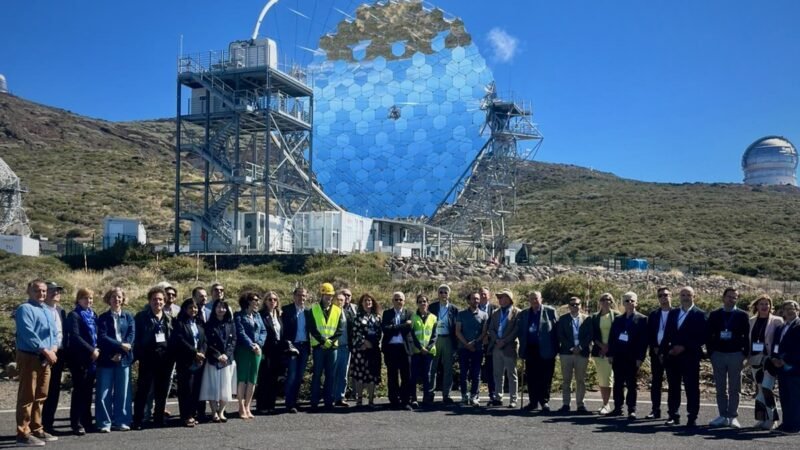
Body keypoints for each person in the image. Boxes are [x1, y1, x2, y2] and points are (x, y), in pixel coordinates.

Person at [15, 279, 59, 446]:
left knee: (41, 395)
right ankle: (23, 433)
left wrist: (53, 348)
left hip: (45, 358)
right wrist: (45, 350)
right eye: (37, 291)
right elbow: (28, 333)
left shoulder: (47, 310)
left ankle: (37, 428)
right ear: (29, 291)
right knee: (27, 396)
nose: (41, 294)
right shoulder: (24, 309)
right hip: (30, 356)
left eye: (43, 291)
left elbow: (54, 332)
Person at [662, 286, 707, 428]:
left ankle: (692, 416)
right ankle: (673, 415)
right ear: (679, 297)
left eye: (688, 295)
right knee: (673, 387)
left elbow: (702, 337)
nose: (685, 297)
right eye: (683, 295)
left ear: (694, 296)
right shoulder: (673, 313)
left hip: (690, 356)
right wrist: (667, 350)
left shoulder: (700, 314)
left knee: (691, 388)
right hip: (673, 356)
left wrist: (684, 346)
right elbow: (667, 333)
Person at [706, 287, 749, 428]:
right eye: (729, 296)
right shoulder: (715, 314)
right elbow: (709, 335)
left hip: (736, 355)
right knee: (720, 387)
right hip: (718, 354)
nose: (731, 299)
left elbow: (746, 336)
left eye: (734, 297)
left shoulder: (742, 315)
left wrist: (744, 354)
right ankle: (722, 415)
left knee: (735, 387)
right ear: (723, 298)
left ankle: (733, 416)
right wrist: (711, 352)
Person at [95, 287, 135, 433]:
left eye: (119, 297)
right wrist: (118, 347)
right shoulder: (103, 318)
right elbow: (102, 337)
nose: (116, 299)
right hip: (107, 358)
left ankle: (121, 421)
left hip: (124, 359)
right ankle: (104, 422)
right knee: (104, 392)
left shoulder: (128, 317)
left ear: (123, 299)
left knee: (123, 392)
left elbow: (131, 335)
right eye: (113, 297)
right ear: (108, 299)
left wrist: (121, 352)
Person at [133, 286, 173, 430]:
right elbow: (136, 338)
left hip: (164, 359)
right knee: (143, 391)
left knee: (161, 392)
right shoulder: (141, 317)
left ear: (164, 301)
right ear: (149, 301)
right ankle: (138, 420)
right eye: (155, 299)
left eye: (161, 299)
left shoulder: (168, 318)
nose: (158, 302)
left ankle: (158, 418)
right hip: (147, 358)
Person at [607, 292, 648, 419]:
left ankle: (632, 409)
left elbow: (643, 341)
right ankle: (617, 408)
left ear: (636, 303)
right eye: (626, 301)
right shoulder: (618, 319)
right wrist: (610, 354)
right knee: (618, 383)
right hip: (618, 356)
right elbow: (612, 338)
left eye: (632, 301)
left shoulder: (642, 319)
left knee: (631, 384)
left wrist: (640, 358)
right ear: (623, 303)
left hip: (633, 357)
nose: (629, 303)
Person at [64, 288, 99, 435]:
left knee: (88, 391)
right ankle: (76, 423)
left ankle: (87, 421)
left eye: (90, 298)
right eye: (85, 298)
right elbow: (75, 337)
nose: (88, 301)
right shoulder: (74, 315)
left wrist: (96, 350)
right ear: (78, 299)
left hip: (92, 359)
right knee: (79, 391)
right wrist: (91, 350)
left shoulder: (93, 315)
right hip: (79, 358)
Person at [518, 291, 558, 412]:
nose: (534, 301)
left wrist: (556, 348)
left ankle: (544, 401)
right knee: (531, 377)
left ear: (541, 299)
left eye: (536, 298)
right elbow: (520, 331)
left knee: (545, 377)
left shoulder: (550, 311)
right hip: (530, 348)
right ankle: (533, 402)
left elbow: (556, 331)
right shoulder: (524, 313)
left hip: (546, 349)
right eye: (531, 299)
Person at [170, 299, 207, 427]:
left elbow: (204, 341)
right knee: (186, 390)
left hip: (199, 361)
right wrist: (194, 353)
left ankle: (193, 413)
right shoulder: (179, 323)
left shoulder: (199, 323)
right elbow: (180, 340)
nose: (193, 310)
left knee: (196, 389)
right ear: (185, 309)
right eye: (190, 308)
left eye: (195, 308)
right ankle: (186, 416)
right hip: (186, 361)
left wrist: (202, 352)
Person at [748, 295, 783, 430]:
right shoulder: (751, 321)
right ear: (756, 306)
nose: (764, 307)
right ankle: (761, 418)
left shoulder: (777, 321)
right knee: (759, 390)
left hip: (769, 359)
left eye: (767, 304)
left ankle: (772, 419)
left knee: (767, 388)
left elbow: (779, 340)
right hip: (755, 358)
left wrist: (776, 356)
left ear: (770, 306)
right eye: (761, 304)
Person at [199, 299, 237, 423]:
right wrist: (218, 355)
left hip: (227, 360)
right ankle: (214, 412)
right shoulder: (209, 324)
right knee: (212, 387)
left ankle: (221, 412)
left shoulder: (230, 323)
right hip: (213, 360)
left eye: (224, 307)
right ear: (214, 308)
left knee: (225, 387)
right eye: (219, 307)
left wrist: (226, 355)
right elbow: (207, 342)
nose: (221, 309)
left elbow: (233, 341)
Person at [308, 283, 344, 410]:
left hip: (332, 348)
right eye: (326, 295)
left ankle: (329, 401)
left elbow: (340, 329)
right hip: (319, 347)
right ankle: (314, 401)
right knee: (317, 374)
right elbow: (312, 328)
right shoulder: (313, 309)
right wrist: (323, 341)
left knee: (331, 375)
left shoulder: (338, 310)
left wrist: (331, 341)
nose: (328, 297)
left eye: (330, 295)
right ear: (322, 295)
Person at [556, 296, 591, 414]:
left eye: (577, 304)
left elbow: (589, 336)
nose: (575, 306)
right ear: (569, 306)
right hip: (566, 353)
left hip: (582, 353)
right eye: (572, 304)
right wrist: (571, 347)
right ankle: (566, 404)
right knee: (566, 380)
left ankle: (580, 404)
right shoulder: (563, 319)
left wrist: (580, 347)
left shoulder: (587, 319)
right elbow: (560, 335)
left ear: (580, 305)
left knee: (580, 380)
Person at [234, 291, 266, 419]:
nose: (257, 302)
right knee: (242, 379)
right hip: (244, 350)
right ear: (247, 301)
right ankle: (241, 407)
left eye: (258, 299)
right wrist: (251, 345)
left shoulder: (257, 315)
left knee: (253, 379)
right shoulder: (239, 315)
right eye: (254, 299)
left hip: (257, 350)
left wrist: (258, 344)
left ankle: (247, 406)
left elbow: (263, 331)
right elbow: (240, 332)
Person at [488, 289, 521, 408]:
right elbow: (491, 329)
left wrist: (505, 341)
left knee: (512, 374)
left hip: (510, 347)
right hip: (497, 346)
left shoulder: (517, 312)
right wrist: (496, 340)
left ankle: (513, 399)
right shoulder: (495, 313)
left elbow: (516, 330)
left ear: (509, 299)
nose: (500, 299)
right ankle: (498, 397)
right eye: (499, 297)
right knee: (497, 373)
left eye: (502, 297)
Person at [456, 291, 489, 406]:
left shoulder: (484, 315)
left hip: (477, 349)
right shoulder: (461, 314)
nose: (476, 301)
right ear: (468, 300)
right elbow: (458, 331)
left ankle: (474, 396)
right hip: (463, 348)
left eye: (477, 299)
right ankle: (464, 396)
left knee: (476, 374)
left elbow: (484, 332)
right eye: (473, 299)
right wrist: (466, 344)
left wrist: (474, 343)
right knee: (463, 373)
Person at [41, 282, 66, 435]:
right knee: (41, 392)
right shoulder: (39, 310)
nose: (56, 293)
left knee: (54, 390)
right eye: (52, 291)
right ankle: (36, 425)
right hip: (43, 355)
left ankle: (48, 424)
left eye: (58, 291)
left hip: (59, 354)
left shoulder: (61, 310)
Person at [771, 300, 800, 433]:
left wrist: (786, 360)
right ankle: (786, 423)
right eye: (786, 308)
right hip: (781, 368)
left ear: (797, 310)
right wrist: (774, 358)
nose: (789, 311)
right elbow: (775, 345)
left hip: (794, 368)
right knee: (785, 397)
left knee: (795, 398)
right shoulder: (781, 327)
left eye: (792, 308)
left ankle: (794, 426)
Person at [382, 291, 413, 410]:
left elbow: (408, 329)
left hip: (405, 348)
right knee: (392, 376)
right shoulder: (387, 313)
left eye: (401, 300)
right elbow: (385, 329)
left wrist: (395, 328)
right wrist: (402, 325)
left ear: (404, 301)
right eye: (396, 299)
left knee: (406, 376)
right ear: (392, 301)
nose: (398, 302)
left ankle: (405, 401)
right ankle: (393, 400)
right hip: (391, 348)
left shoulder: (409, 313)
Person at [645, 286, 673, 419]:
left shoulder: (676, 313)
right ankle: (655, 409)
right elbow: (649, 334)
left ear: (670, 296)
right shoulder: (654, 314)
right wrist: (655, 348)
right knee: (656, 382)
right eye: (660, 295)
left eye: (665, 295)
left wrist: (667, 349)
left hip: (671, 353)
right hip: (656, 353)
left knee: (673, 383)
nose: (663, 297)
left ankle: (672, 412)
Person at [350, 293, 382, 407]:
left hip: (374, 350)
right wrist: (363, 342)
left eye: (369, 300)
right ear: (361, 303)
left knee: (372, 375)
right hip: (360, 350)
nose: (368, 302)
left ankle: (371, 401)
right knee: (360, 375)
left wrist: (373, 344)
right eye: (365, 301)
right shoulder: (357, 317)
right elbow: (355, 332)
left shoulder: (377, 317)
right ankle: (359, 400)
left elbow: (379, 333)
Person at [428, 284, 459, 404]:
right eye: (441, 292)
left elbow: (456, 327)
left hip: (448, 339)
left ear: (449, 294)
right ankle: (430, 393)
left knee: (447, 368)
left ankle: (447, 394)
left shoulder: (454, 309)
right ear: (437, 294)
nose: (443, 294)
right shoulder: (432, 307)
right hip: (434, 339)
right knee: (432, 367)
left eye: (445, 292)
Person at [281, 287, 310, 413]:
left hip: (304, 346)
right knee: (292, 375)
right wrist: (287, 344)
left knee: (299, 376)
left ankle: (295, 401)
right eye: (299, 295)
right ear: (294, 296)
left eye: (303, 295)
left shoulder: (308, 312)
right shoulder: (286, 310)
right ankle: (289, 403)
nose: (301, 298)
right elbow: (283, 330)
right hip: (292, 346)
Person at [256, 291, 284, 414]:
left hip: (277, 349)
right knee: (264, 377)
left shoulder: (279, 314)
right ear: (265, 302)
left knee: (274, 377)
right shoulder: (261, 315)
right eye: (269, 299)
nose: (272, 302)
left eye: (274, 299)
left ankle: (271, 404)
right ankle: (262, 405)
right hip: (266, 349)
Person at [590, 293, 618, 414]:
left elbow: (618, 334)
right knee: (602, 379)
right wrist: (601, 346)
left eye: (608, 299)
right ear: (599, 302)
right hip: (599, 352)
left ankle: (610, 404)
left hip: (613, 352)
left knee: (610, 378)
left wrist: (609, 348)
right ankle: (605, 403)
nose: (606, 301)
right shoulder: (594, 317)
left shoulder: (617, 316)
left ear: (612, 302)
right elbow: (593, 334)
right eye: (603, 299)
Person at [409, 294, 437, 408]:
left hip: (429, 352)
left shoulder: (433, 317)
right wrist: (421, 348)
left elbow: (435, 335)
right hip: (416, 351)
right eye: (420, 302)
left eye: (424, 301)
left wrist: (428, 348)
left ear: (428, 303)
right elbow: (412, 335)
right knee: (414, 376)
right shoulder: (413, 317)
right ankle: (414, 399)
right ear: (417, 303)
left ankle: (426, 398)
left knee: (427, 376)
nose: (422, 304)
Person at [333, 289, 356, 407]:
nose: (341, 301)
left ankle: (340, 397)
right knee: (332, 372)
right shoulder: (330, 311)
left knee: (343, 374)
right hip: (333, 347)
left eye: (344, 299)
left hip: (346, 347)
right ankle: (330, 397)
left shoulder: (349, 313)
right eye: (339, 299)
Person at [478, 287, 497, 403]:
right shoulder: (473, 308)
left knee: (491, 369)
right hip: (477, 343)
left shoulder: (495, 309)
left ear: (489, 296)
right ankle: (475, 394)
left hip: (491, 344)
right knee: (476, 369)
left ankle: (493, 394)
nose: (482, 296)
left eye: (485, 294)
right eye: (480, 294)